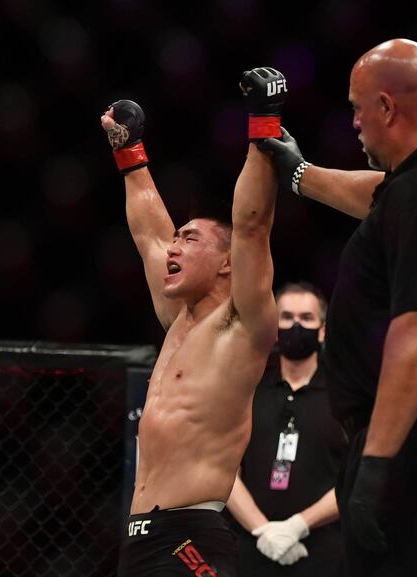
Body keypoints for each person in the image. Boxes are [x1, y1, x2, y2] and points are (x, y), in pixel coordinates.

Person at [258, 39, 417, 577]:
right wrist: (301, 174)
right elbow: (379, 197)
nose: (352, 123)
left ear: (387, 108)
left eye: (356, 107)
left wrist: (376, 463)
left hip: (410, 454)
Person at [102, 67, 288, 577]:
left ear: (227, 263)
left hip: (190, 537)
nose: (174, 247)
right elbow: (147, 233)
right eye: (177, 238)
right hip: (138, 535)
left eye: (191, 239)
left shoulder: (243, 324)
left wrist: (263, 123)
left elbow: (251, 224)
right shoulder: (179, 320)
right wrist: (129, 151)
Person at [227, 282, 346, 576]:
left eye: (306, 318)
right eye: (287, 317)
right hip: (253, 549)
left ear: (323, 330)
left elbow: (357, 478)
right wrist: (263, 530)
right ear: (273, 325)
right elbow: (224, 469)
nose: (295, 325)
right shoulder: (248, 393)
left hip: (324, 553)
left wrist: (298, 526)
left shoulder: (346, 398)